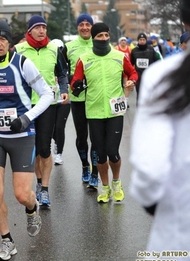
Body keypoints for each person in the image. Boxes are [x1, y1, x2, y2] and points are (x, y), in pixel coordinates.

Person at [130, 1, 190, 261]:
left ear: (185, 23)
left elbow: (150, 167)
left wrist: (151, 200)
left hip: (182, 232)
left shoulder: (165, 76)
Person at [0, 20, 53, 261]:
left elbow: (47, 94)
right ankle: (7, 242)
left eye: (2, 39)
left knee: (21, 195)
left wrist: (26, 118)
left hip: (22, 137)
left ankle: (31, 208)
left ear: (9, 42)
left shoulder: (23, 64)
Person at [71, 23, 138, 203]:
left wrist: (131, 81)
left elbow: (133, 73)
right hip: (94, 111)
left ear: (109, 36)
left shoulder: (119, 56)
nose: (103, 38)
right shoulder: (84, 59)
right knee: (100, 154)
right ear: (93, 38)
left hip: (115, 111)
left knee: (113, 152)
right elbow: (75, 81)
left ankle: (116, 182)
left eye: (105, 35)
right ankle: (105, 186)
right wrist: (76, 86)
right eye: (99, 36)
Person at [14, 15, 69, 207]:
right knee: (34, 148)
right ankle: (38, 183)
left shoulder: (54, 49)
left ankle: (45, 189)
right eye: (37, 27)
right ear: (29, 31)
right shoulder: (19, 50)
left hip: (48, 104)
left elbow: (62, 74)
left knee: (45, 148)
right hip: (27, 106)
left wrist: (64, 90)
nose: (42, 31)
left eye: (44, 27)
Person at [62, 13, 99, 188]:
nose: (85, 27)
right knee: (82, 137)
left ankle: (95, 172)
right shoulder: (69, 47)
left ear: (92, 26)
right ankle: (85, 165)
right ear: (77, 27)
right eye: (81, 24)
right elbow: (61, 71)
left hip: (97, 98)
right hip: (78, 99)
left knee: (97, 138)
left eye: (88, 24)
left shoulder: (99, 44)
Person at [50, 38, 71, 165]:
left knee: (59, 127)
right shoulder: (49, 61)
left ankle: (59, 154)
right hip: (50, 99)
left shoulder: (66, 62)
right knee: (51, 127)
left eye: (60, 49)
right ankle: (56, 142)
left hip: (64, 100)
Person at [130, 33, 161, 103]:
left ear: (146, 40)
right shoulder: (134, 51)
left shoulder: (151, 49)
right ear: (138, 40)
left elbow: (157, 60)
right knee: (139, 95)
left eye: (144, 39)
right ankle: (139, 110)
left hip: (149, 76)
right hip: (139, 76)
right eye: (140, 39)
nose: (142, 41)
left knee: (149, 94)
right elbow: (131, 64)